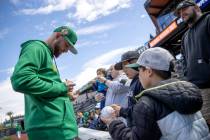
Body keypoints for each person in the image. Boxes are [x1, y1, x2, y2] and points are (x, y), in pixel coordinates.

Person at [102, 47, 210, 140]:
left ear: (148, 71)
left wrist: (113, 123)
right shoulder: (187, 88)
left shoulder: (147, 103)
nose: (138, 75)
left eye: (139, 70)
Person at [11, 26, 79, 140]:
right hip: (51, 130)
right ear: (58, 36)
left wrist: (66, 95)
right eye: (66, 45)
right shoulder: (36, 48)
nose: (66, 50)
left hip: (59, 128)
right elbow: (21, 80)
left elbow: (47, 90)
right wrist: (62, 87)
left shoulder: (47, 54)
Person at [175, 0, 210, 127]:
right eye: (179, 12)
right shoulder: (185, 37)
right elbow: (183, 62)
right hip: (197, 90)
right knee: (206, 125)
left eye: (184, 9)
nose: (181, 13)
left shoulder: (208, 20)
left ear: (196, 7)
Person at [112, 50, 144, 127]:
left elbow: (144, 111)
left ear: (136, 62)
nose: (124, 70)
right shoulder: (134, 81)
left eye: (125, 66)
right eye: (122, 67)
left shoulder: (142, 81)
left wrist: (122, 111)